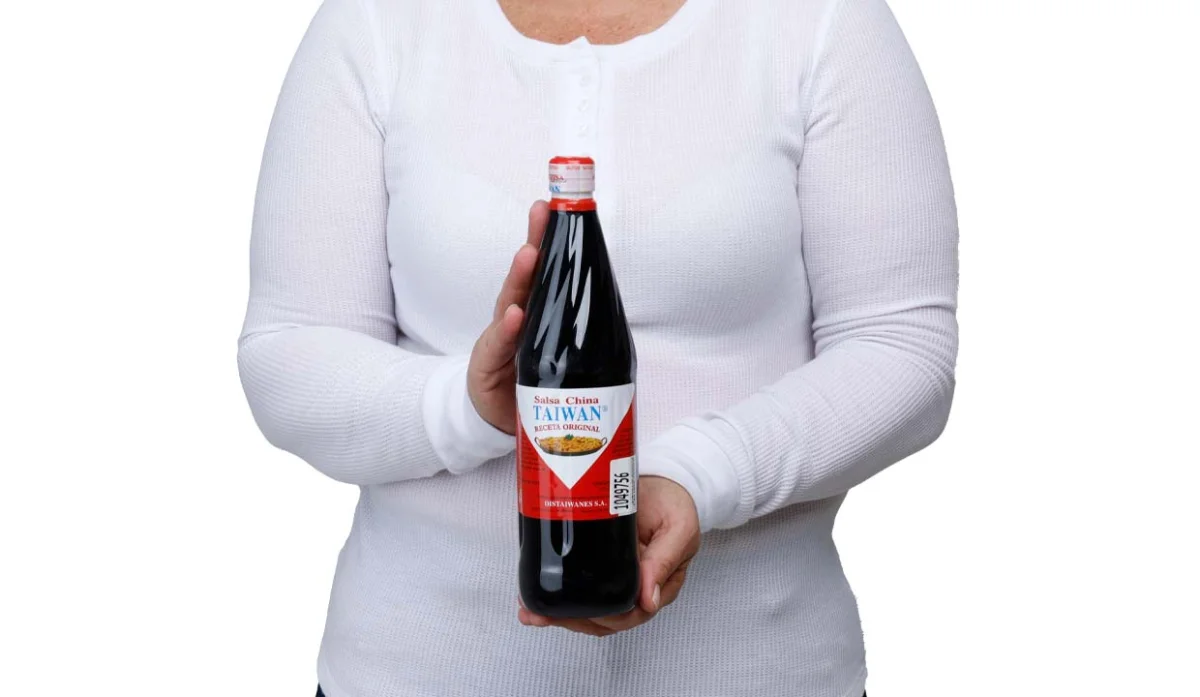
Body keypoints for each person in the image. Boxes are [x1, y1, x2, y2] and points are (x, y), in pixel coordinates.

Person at [237, 0, 958, 694]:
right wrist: (468, 404)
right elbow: (289, 353)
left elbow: (901, 347)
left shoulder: (822, 19)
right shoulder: (375, 21)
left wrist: (698, 475)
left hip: (762, 671)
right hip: (413, 673)